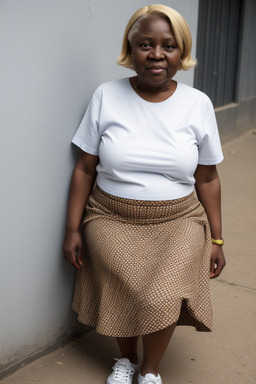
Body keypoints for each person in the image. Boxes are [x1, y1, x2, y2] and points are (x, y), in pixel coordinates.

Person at [62, 4, 226, 384]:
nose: (156, 55)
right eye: (145, 45)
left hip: (179, 218)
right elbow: (85, 168)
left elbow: (208, 178)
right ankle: (126, 360)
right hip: (111, 215)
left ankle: (150, 370)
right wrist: (72, 229)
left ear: (181, 52)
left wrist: (217, 238)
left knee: (162, 294)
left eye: (168, 46)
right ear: (130, 49)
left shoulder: (197, 104)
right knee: (125, 286)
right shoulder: (106, 95)